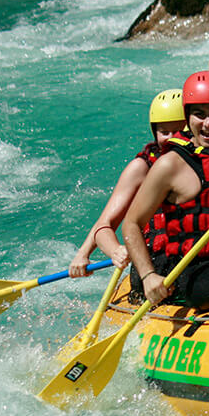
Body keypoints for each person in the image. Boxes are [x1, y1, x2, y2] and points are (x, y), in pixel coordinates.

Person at [121, 68, 209, 307]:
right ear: (187, 117)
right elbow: (131, 223)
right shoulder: (169, 164)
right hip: (191, 271)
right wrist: (148, 276)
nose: (208, 124)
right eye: (200, 114)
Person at [68, 88, 185, 277]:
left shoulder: (204, 160)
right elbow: (104, 224)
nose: (171, 138)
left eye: (179, 131)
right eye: (164, 132)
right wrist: (110, 251)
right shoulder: (141, 168)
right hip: (155, 264)